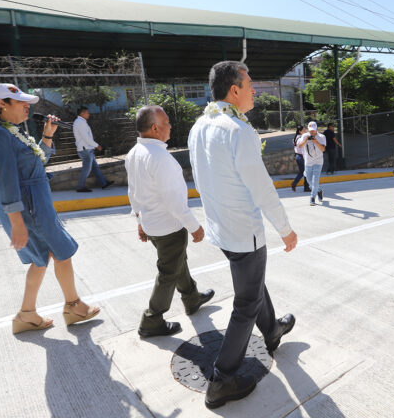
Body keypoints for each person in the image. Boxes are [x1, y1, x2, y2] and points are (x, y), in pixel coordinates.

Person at [188, 61, 298, 409]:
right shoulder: (238, 130)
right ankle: (222, 378)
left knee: (252, 284)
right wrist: (286, 228)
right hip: (244, 231)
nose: (255, 91)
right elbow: (261, 186)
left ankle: (272, 331)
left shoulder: (198, 125)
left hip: (222, 227)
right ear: (234, 90)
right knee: (246, 302)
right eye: (250, 85)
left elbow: (201, 178)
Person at [0, 83, 100, 334]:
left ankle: (27, 314)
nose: (27, 107)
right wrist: (17, 223)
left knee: (41, 260)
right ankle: (73, 305)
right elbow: (6, 183)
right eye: (21, 102)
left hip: (33, 203)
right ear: (2, 104)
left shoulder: (8, 131)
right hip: (28, 208)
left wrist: (47, 135)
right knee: (62, 251)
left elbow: (36, 163)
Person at [125, 105, 214, 337]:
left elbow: (133, 193)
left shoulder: (134, 152)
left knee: (176, 262)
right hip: (168, 227)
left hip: (152, 225)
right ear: (155, 128)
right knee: (168, 271)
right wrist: (195, 227)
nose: (170, 126)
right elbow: (175, 202)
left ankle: (192, 298)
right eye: (166, 123)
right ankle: (151, 320)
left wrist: (139, 221)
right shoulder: (161, 158)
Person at [73, 106, 113, 192]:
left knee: (95, 167)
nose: (89, 114)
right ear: (82, 113)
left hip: (87, 148)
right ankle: (80, 187)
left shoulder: (81, 122)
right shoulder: (80, 122)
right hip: (85, 149)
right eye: (87, 112)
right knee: (86, 169)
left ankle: (103, 183)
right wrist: (96, 145)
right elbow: (86, 137)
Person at [298, 121, 326, 205]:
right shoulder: (304, 136)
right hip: (308, 161)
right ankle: (319, 190)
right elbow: (300, 146)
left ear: (316, 128)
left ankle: (312, 198)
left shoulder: (322, 136)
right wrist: (306, 140)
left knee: (314, 181)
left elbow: (323, 149)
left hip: (318, 161)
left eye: (313, 130)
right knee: (309, 181)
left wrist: (315, 141)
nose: (312, 132)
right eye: (310, 130)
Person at [290, 126, 311, 192]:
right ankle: (301, 185)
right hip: (301, 156)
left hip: (298, 156)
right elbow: (300, 145)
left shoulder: (296, 137)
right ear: (300, 131)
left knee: (303, 172)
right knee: (305, 172)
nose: (305, 131)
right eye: (304, 130)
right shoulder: (300, 138)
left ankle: (304, 186)